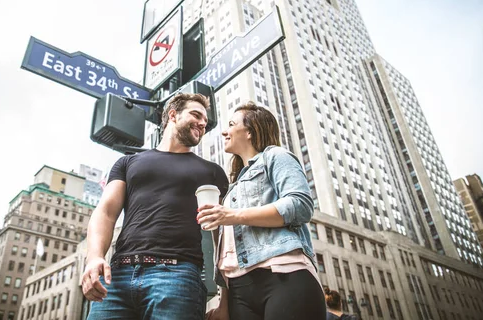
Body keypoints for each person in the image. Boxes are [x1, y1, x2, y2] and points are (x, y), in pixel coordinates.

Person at [81, 93, 229, 320]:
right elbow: (106, 212)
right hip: (117, 276)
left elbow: (224, 237)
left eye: (205, 121)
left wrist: (225, 300)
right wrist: (94, 257)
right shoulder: (127, 162)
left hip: (177, 277)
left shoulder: (212, 172)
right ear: (173, 114)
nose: (202, 123)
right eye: (196, 114)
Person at [198, 102, 326, 320]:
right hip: (238, 290)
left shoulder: (276, 156)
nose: (223, 131)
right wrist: (223, 304)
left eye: (231, 124)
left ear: (249, 131)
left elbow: (300, 205)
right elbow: (229, 254)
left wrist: (231, 216)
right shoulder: (233, 188)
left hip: (284, 274)